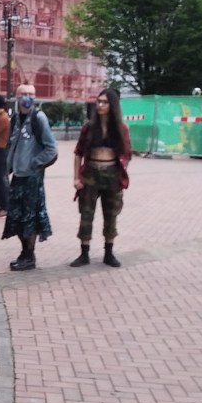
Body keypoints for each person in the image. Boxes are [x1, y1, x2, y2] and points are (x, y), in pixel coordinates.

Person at [70, 88, 132, 268]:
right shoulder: (89, 127)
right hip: (91, 172)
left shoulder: (121, 128)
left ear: (113, 105)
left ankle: (109, 252)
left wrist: (121, 172)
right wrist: (76, 178)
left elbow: (127, 153)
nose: (100, 105)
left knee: (111, 214)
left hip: (112, 173)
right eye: (99, 101)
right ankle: (84, 253)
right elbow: (78, 153)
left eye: (104, 102)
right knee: (86, 213)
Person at [3, 83, 57, 271]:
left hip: (32, 178)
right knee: (17, 216)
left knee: (30, 217)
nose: (27, 97)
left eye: (31, 94)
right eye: (23, 94)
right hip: (18, 175)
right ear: (16, 97)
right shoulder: (16, 118)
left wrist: (35, 163)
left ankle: (29, 256)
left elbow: (51, 148)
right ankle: (24, 252)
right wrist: (7, 167)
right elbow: (12, 145)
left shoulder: (38, 118)